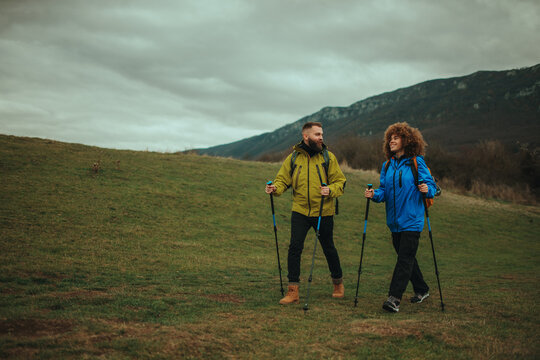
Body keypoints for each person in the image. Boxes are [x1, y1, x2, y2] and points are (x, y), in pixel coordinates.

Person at [265, 122, 347, 305]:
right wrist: (274, 188)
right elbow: (282, 181)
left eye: (322, 134)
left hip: (323, 211)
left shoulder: (328, 157)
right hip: (300, 211)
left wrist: (330, 190)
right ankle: (293, 291)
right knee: (294, 248)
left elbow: (340, 182)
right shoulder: (293, 158)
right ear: (306, 136)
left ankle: (338, 284)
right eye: (317, 134)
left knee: (328, 248)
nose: (321, 137)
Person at [365, 122, 437, 313]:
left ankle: (394, 298)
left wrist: (427, 188)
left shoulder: (416, 162)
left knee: (404, 259)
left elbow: (433, 187)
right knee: (407, 257)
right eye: (390, 138)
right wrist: (374, 195)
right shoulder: (387, 165)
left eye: (396, 138)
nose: (391, 141)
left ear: (407, 140)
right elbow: (385, 192)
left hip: (412, 220)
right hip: (394, 222)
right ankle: (422, 289)